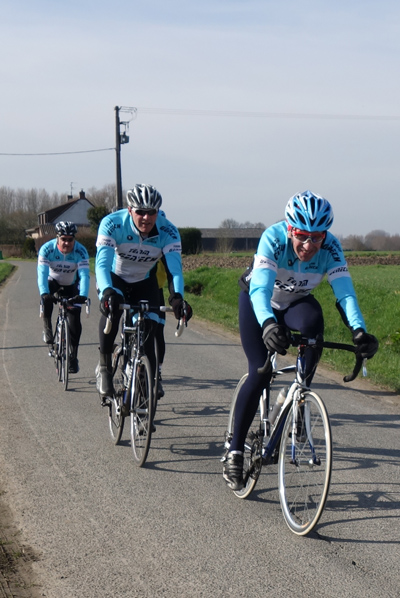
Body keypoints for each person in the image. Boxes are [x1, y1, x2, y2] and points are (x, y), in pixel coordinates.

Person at [223, 190, 379, 491]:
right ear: (290, 229)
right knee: (260, 372)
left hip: (295, 303)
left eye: (316, 237)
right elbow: (261, 290)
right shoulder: (273, 238)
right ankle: (236, 450)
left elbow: (345, 293)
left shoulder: (331, 248)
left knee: (313, 322)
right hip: (259, 304)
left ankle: (298, 396)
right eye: (302, 236)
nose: (309, 246)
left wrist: (359, 331)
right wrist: (268, 324)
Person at [95, 183, 192, 404]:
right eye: (140, 212)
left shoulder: (168, 231)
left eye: (151, 212)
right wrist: (107, 291)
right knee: (112, 312)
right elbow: (102, 265)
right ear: (130, 210)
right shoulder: (112, 223)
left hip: (144, 281)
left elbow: (174, 271)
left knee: (149, 327)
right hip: (115, 278)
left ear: (158, 212)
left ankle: (144, 382)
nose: (146, 218)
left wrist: (177, 298)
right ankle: (105, 367)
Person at [37, 221, 90, 374]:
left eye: (70, 239)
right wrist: (44, 293)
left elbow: (84, 275)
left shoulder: (81, 251)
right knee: (46, 297)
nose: (67, 243)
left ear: (74, 239)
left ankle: (73, 357)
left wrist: (83, 295)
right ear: (57, 238)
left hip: (71, 285)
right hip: (53, 282)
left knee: (75, 321)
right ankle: (48, 329)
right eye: (63, 239)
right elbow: (42, 274)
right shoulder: (47, 249)